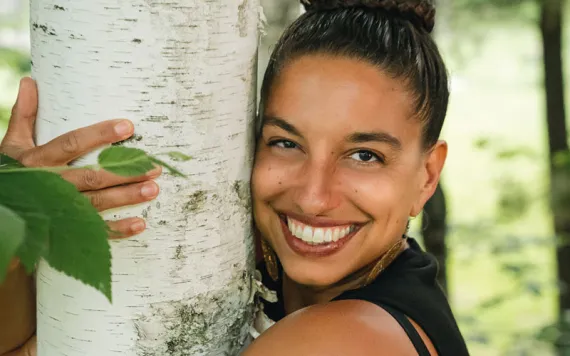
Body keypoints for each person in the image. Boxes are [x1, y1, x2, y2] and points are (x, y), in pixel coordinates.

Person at [0, 0, 470, 354]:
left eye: (364, 155)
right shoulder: (233, 250)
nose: (312, 197)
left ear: (427, 177)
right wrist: (21, 210)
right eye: (286, 143)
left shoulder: (352, 339)